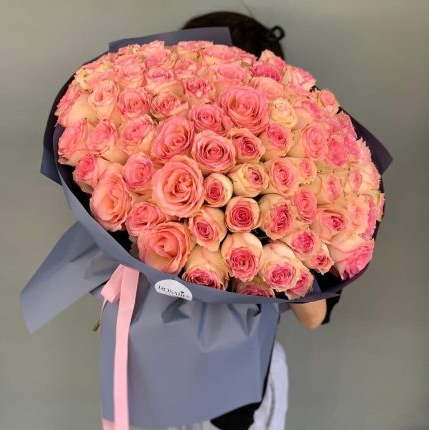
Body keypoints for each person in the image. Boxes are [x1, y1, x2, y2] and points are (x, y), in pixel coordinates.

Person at [166, 12, 342, 430]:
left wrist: (274, 219)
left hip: (247, 384)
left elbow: (313, 316)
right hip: (162, 362)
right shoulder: (166, 167)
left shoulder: (301, 183)